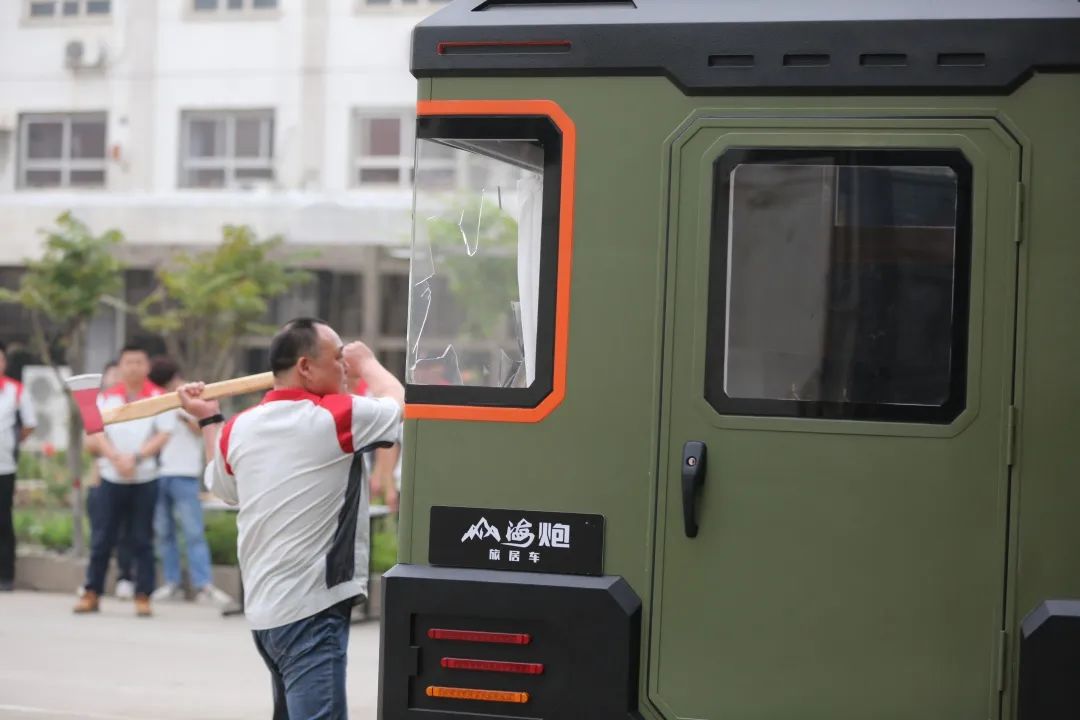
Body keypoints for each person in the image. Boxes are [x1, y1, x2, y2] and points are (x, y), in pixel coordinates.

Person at [178, 318, 403, 720]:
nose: (345, 368)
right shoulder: (333, 416)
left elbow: (224, 488)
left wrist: (210, 420)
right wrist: (368, 362)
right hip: (311, 610)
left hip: (266, 614)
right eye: (338, 358)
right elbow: (407, 411)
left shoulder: (238, 428)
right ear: (305, 367)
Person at [74, 345, 172, 617]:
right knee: (102, 538)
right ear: (120, 366)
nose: (134, 367)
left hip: (145, 477)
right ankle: (91, 592)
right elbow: (95, 432)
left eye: (139, 361)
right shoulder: (105, 398)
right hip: (110, 476)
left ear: (147, 366)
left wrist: (136, 458)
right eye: (128, 362)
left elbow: (163, 434)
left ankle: (143, 595)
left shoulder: (159, 397)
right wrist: (116, 458)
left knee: (142, 539)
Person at [147, 356, 232, 606]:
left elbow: (202, 427)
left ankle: (203, 585)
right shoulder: (155, 398)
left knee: (193, 531)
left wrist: (183, 411)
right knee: (164, 533)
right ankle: (172, 583)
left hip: (185, 472)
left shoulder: (196, 395)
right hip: (159, 472)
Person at [81, 361, 137, 599]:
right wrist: (111, 455)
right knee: (101, 535)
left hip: (132, 477)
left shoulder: (134, 405)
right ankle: (93, 586)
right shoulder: (100, 404)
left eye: (118, 374)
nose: (115, 379)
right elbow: (90, 443)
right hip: (101, 478)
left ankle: (126, 577)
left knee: (129, 533)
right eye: (111, 375)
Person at [0, 342, 36, 591]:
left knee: (3, 520)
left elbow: (29, 424)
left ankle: (5, 575)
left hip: (4, 464)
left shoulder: (16, 390)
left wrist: (13, 442)